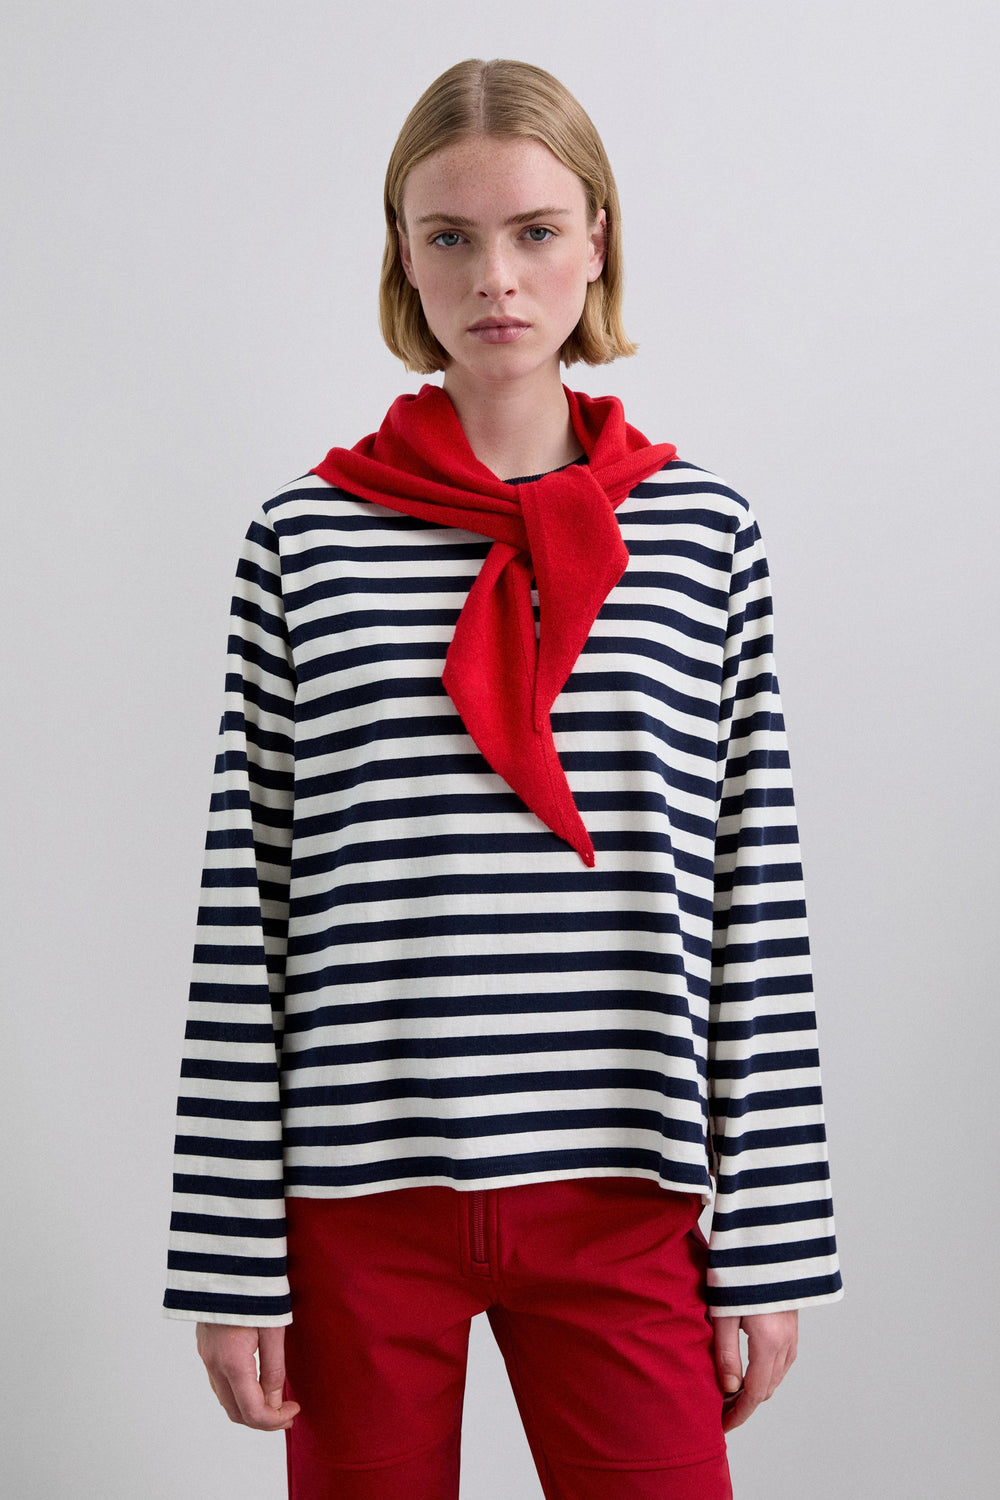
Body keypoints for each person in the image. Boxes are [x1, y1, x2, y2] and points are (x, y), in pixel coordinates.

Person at [164, 58, 842, 1500]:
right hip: (358, 1200)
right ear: (403, 257)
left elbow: (753, 894)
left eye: (535, 230)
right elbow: (249, 903)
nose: (496, 277)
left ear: (597, 239)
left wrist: (772, 1239)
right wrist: (227, 1258)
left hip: (625, 1189)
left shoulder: (703, 535)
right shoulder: (304, 541)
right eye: (450, 236)